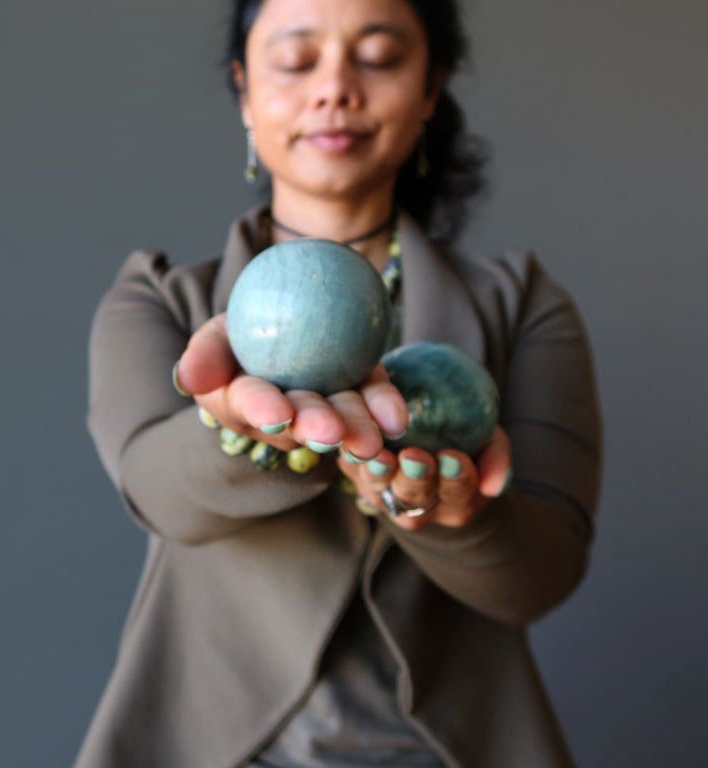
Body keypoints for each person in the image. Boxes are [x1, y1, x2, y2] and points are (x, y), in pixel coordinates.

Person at [74, 0, 602, 765]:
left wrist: (459, 517)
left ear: (430, 89)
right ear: (245, 91)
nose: (335, 88)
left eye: (380, 56)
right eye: (295, 60)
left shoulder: (519, 303)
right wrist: (245, 431)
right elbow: (154, 487)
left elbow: (545, 570)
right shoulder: (159, 299)